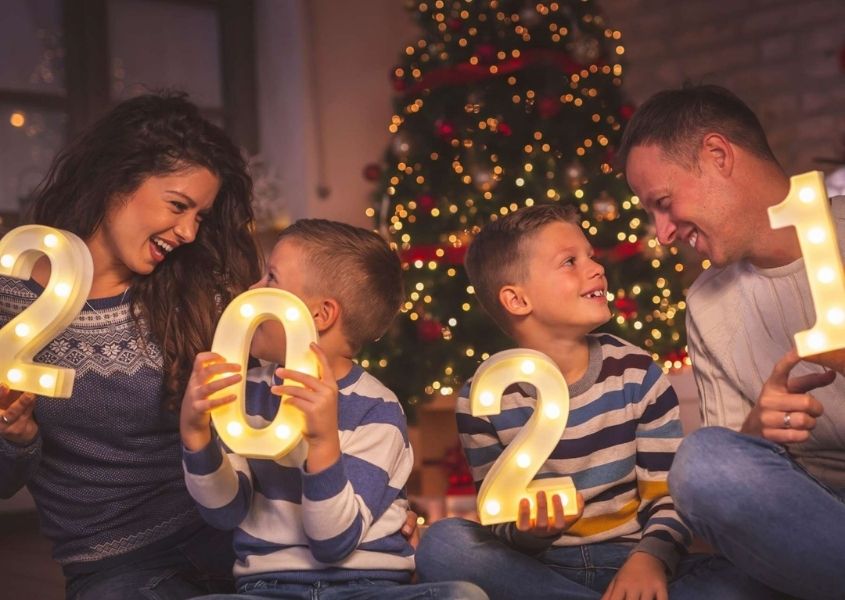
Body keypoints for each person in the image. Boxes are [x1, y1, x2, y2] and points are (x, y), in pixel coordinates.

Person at [414, 204, 760, 600]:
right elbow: (499, 522)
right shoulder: (484, 397)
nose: (596, 269)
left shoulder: (637, 373)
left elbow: (667, 495)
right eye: (569, 262)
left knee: (745, 578)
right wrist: (529, 533)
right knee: (443, 544)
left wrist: (650, 560)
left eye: (591, 257)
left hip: (633, 559)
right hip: (539, 569)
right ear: (517, 300)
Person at [0, 92, 262, 599]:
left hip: (241, 538)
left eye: (200, 217)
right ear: (117, 180)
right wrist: (13, 436)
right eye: (178, 206)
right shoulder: (11, 297)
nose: (188, 232)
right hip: (120, 569)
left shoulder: (198, 293)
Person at [180, 219, 487, 600]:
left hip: (367, 588)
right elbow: (223, 512)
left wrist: (324, 442)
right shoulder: (247, 393)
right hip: (267, 589)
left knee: (461, 596)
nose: (252, 291)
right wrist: (196, 436)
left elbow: (334, 542)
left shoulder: (377, 409)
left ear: (321, 315)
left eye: (271, 279)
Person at [618, 83, 845, 599]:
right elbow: (721, 483)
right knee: (703, 462)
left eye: (664, 202)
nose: (662, 233)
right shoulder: (707, 305)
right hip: (809, 525)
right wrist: (758, 429)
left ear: (718, 155)